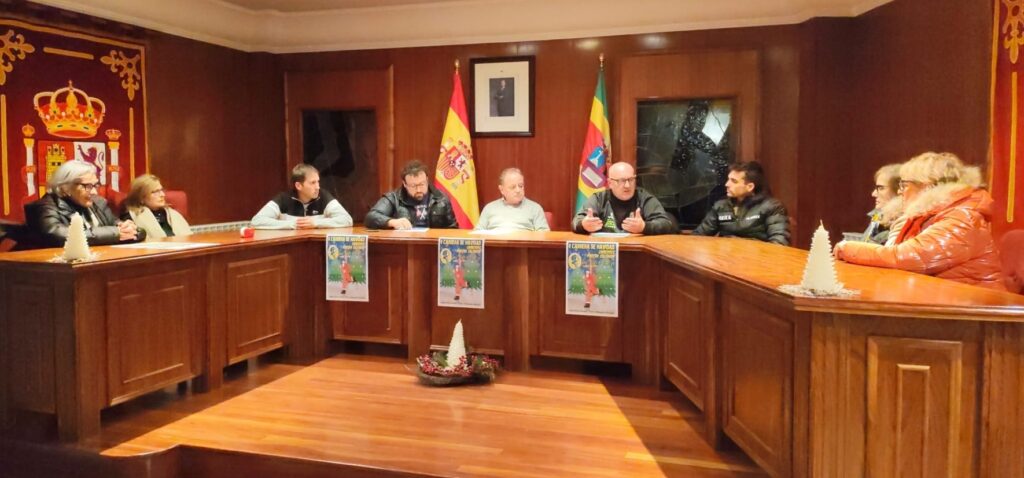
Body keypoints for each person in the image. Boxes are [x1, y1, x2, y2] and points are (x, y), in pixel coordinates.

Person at [834, 152, 1005, 290]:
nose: (900, 192)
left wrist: (846, 248)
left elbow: (904, 257)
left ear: (928, 187)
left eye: (904, 185)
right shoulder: (935, 214)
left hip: (975, 311)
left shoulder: (962, 218)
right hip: (947, 300)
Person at [23, 160, 144, 248]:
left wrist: (132, 229)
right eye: (88, 186)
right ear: (65, 187)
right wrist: (115, 233)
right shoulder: (45, 206)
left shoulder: (98, 203)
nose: (95, 192)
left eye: (95, 185)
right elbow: (58, 235)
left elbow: (128, 229)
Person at [692, 161, 790, 245]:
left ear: (750, 187)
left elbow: (779, 243)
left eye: (734, 181)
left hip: (755, 259)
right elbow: (697, 237)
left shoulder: (772, 207)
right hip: (725, 258)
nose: (727, 184)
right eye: (728, 179)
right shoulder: (721, 206)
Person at [572, 162, 677, 235]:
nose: (627, 185)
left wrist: (644, 227)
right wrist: (583, 225)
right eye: (622, 181)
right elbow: (576, 222)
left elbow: (666, 223)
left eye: (631, 180)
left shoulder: (644, 198)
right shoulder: (599, 198)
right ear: (610, 183)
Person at [251, 164, 353, 229]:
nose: (318, 187)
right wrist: (292, 224)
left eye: (318, 181)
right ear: (298, 186)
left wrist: (316, 223)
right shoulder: (283, 199)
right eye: (312, 183)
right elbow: (257, 221)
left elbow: (347, 219)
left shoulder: (324, 196)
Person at [365, 160, 458, 229]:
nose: (418, 189)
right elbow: (371, 217)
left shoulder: (441, 199)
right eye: (413, 186)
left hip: (432, 245)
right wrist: (391, 222)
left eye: (422, 184)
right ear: (404, 184)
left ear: (427, 179)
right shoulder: (394, 198)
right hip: (404, 245)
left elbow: (453, 229)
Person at [475, 168, 550, 231]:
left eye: (520, 186)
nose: (518, 190)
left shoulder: (535, 208)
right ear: (502, 189)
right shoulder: (489, 208)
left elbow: (544, 236)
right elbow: (477, 235)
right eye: (513, 187)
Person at [122, 174, 192, 239]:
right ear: (141, 198)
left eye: (161, 190)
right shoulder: (132, 218)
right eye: (155, 192)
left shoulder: (172, 214)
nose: (162, 195)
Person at [861, 163, 902, 245]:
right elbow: (865, 244)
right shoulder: (877, 215)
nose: (873, 194)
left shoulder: (902, 223)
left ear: (899, 190)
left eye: (881, 188)